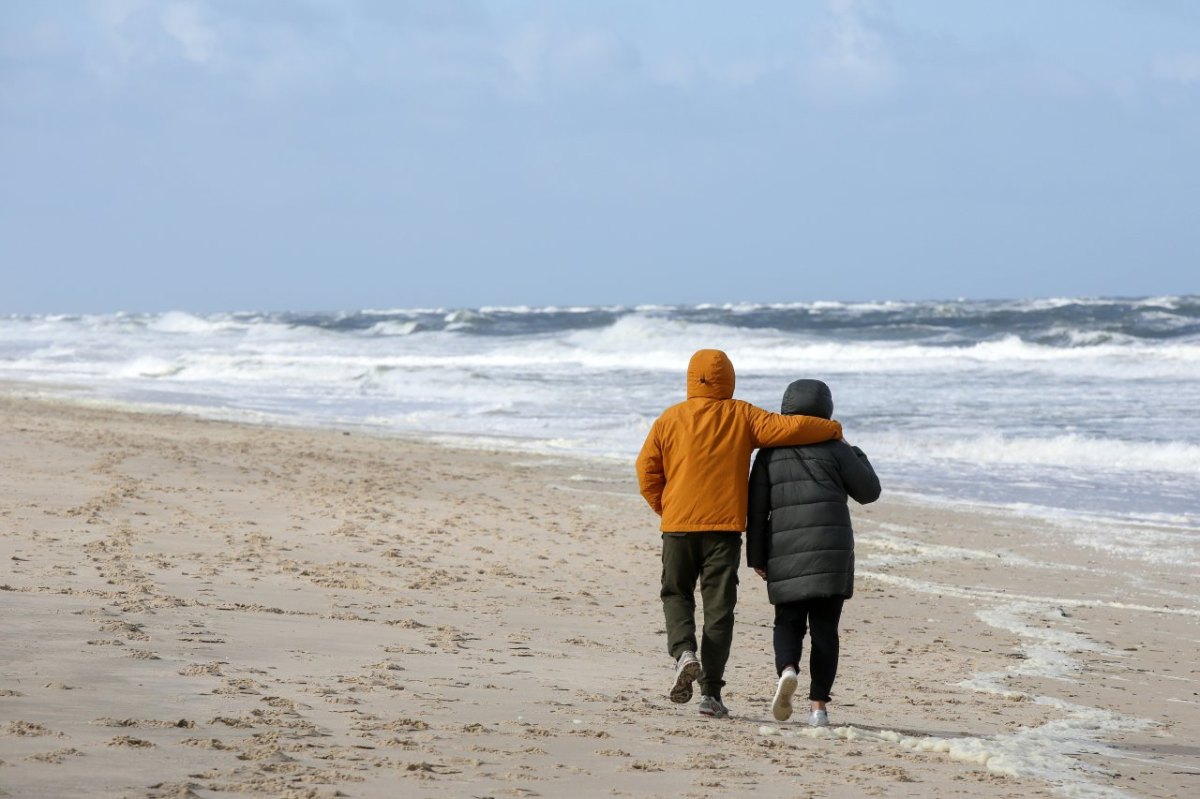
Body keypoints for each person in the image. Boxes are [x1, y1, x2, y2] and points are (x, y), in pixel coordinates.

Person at [636, 350, 844, 719]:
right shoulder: (742, 415)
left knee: (676, 594)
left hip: (678, 527)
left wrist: (666, 508)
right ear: (728, 379)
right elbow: (790, 428)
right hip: (723, 530)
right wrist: (832, 429)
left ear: (691, 378)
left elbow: (647, 470)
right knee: (719, 610)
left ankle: (684, 651)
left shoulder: (669, 419)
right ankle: (711, 694)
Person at [745, 378, 880, 727]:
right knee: (825, 631)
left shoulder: (769, 453)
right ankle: (818, 708)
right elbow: (869, 491)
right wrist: (850, 447)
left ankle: (788, 669)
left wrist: (756, 557)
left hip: (784, 549)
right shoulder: (837, 449)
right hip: (832, 551)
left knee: (787, 621)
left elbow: (756, 510)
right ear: (826, 410)